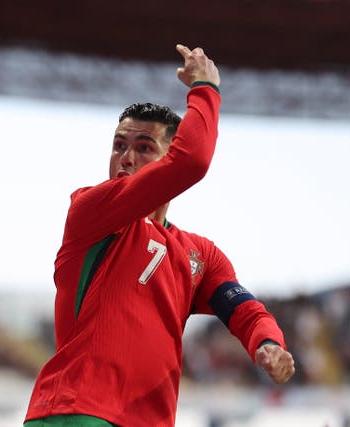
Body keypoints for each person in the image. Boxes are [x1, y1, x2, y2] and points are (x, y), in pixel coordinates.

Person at [23, 44, 295, 427]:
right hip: (78, 411)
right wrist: (205, 88)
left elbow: (243, 310)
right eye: (119, 145)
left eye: (144, 147)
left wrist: (267, 342)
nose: (126, 158)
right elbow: (193, 161)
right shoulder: (92, 211)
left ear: (168, 154)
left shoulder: (200, 254)